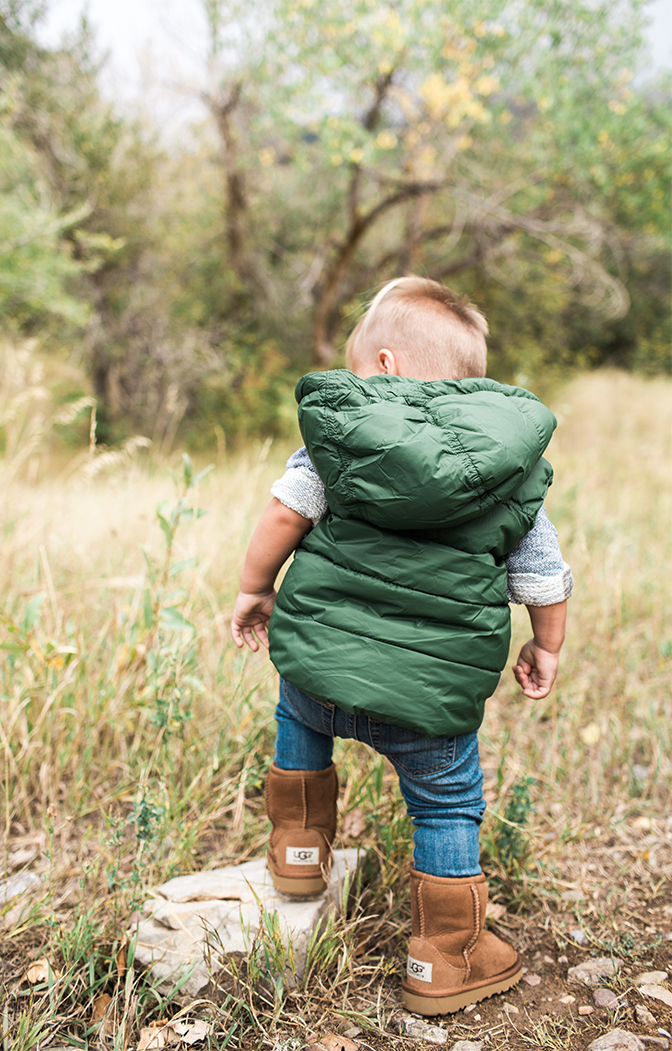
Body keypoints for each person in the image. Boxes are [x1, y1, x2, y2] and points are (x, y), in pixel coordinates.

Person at [230, 276, 572, 1016]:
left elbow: (284, 512)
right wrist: (547, 647)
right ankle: (442, 959)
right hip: (432, 698)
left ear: (382, 363)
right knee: (446, 803)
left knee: (299, 721)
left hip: (321, 669)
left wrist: (255, 587)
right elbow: (543, 574)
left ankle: (297, 847)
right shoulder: (509, 469)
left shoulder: (342, 437)